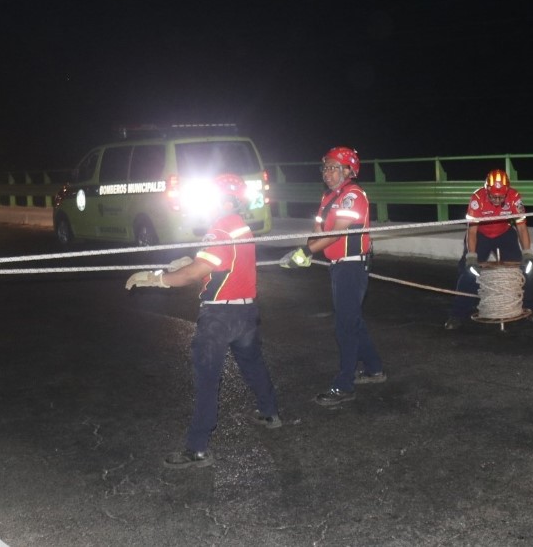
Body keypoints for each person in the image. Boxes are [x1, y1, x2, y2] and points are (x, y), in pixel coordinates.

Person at [125, 173, 282, 469]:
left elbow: (193, 275)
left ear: (223, 200)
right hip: (245, 313)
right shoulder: (240, 226)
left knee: (207, 377)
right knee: (252, 363)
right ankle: (270, 412)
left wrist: (156, 279)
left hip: (219, 317)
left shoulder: (221, 229)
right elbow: (221, 264)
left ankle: (197, 448)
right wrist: (193, 260)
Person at [279, 146, 384, 406]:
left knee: (345, 326)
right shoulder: (328, 197)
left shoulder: (353, 195)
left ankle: (344, 385)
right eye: (326, 167)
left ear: (349, 170)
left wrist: (305, 251)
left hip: (351, 266)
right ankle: (374, 369)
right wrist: (307, 253)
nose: (328, 172)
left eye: (334, 167)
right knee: (353, 320)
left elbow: (338, 232)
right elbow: (318, 230)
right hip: (338, 266)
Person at [444, 169, 533, 330]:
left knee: (525, 269)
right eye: (493, 197)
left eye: (501, 197)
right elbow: (472, 230)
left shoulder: (514, 197)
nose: (497, 200)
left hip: (504, 233)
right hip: (481, 235)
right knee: (467, 271)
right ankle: (458, 314)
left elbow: (522, 228)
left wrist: (527, 253)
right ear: (487, 191)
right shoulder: (477, 199)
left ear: (507, 192)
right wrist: (471, 257)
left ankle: (532, 309)